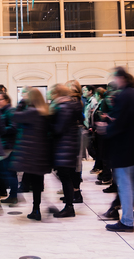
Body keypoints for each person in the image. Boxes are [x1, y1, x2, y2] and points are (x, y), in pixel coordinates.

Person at [96, 68, 134, 232]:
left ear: (122, 78)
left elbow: (121, 123)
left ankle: (127, 221)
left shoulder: (125, 96)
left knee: (125, 185)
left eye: (116, 78)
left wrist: (106, 128)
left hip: (125, 149)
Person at [11, 87, 51, 221]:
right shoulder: (45, 113)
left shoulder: (31, 112)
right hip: (42, 153)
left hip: (31, 154)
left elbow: (15, 117)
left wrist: (21, 103)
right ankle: (36, 209)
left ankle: (36, 210)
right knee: (38, 184)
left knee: (33, 183)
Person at [50, 83, 83, 218]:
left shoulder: (64, 107)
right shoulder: (70, 106)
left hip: (64, 147)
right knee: (66, 177)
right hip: (68, 146)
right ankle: (69, 204)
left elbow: (59, 129)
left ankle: (69, 207)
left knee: (65, 177)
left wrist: (49, 124)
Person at [0, 92, 18, 205]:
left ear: (6, 100)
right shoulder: (2, 112)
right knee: (6, 171)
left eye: (0, 99)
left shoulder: (10, 111)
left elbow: (13, 128)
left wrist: (0, 128)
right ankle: (12, 195)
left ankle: (13, 195)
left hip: (9, 146)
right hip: (3, 145)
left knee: (9, 172)